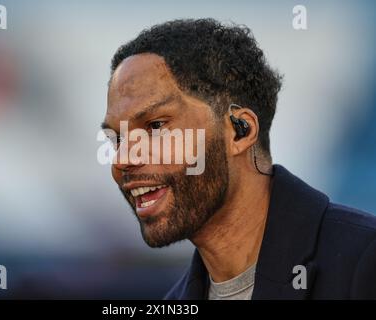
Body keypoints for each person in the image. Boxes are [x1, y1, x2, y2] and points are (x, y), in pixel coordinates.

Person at [101, 18, 376, 299]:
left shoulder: (365, 262)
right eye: (117, 139)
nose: (122, 159)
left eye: (156, 126)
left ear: (239, 132)